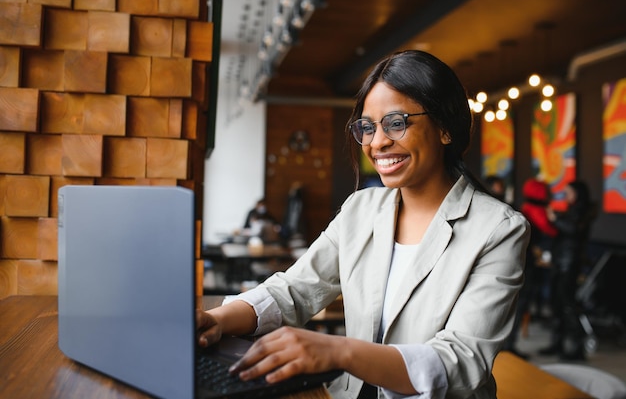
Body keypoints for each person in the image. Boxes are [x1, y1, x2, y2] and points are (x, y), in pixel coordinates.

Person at [197, 50, 529, 399]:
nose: (377, 142)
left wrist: (339, 352)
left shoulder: (499, 229)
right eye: (368, 127)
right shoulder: (361, 209)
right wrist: (219, 319)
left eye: (396, 122)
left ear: (445, 127)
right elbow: (293, 290)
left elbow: (460, 362)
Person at [540, 180, 595, 361]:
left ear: (578, 193)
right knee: (556, 304)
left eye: (568, 192)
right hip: (560, 261)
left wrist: (555, 219)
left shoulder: (585, 210)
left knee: (568, 305)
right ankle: (558, 344)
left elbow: (573, 230)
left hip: (570, 263)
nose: (566, 196)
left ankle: (578, 348)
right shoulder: (571, 210)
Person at [502, 178, 557, 359]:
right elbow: (551, 233)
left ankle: (508, 345)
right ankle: (509, 346)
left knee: (517, 305)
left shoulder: (525, 208)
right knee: (520, 304)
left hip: (519, 264)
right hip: (526, 266)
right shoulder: (537, 213)